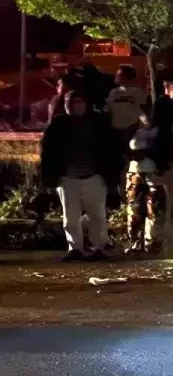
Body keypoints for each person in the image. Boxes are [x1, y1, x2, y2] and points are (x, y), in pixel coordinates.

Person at [40, 90, 119, 260]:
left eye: (79, 101)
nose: (75, 105)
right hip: (68, 177)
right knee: (71, 217)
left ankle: (99, 247)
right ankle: (75, 248)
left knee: (97, 215)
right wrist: (51, 177)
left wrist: (109, 174)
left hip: (94, 176)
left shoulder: (98, 123)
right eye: (71, 102)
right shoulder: (58, 125)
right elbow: (48, 152)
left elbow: (110, 149)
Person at [124, 110, 168, 254]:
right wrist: (132, 156)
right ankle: (135, 242)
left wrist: (148, 154)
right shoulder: (131, 130)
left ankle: (153, 242)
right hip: (134, 172)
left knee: (154, 208)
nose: (146, 117)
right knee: (134, 208)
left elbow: (165, 150)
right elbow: (123, 150)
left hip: (154, 172)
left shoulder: (161, 131)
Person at [105, 64, 148, 135]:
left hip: (132, 131)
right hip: (115, 131)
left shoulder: (138, 93)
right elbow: (109, 108)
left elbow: (142, 111)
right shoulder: (113, 92)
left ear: (126, 77)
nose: (115, 76)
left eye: (118, 74)